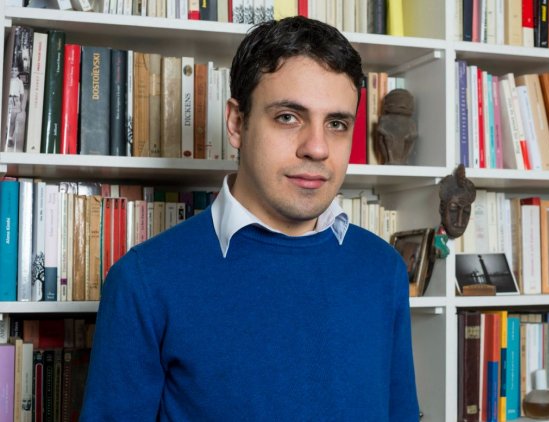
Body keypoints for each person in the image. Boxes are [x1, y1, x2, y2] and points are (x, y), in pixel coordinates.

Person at [80, 16, 419, 421]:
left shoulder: (383, 269)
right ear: (237, 123)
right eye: (288, 117)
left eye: (336, 124)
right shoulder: (144, 280)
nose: (317, 148)